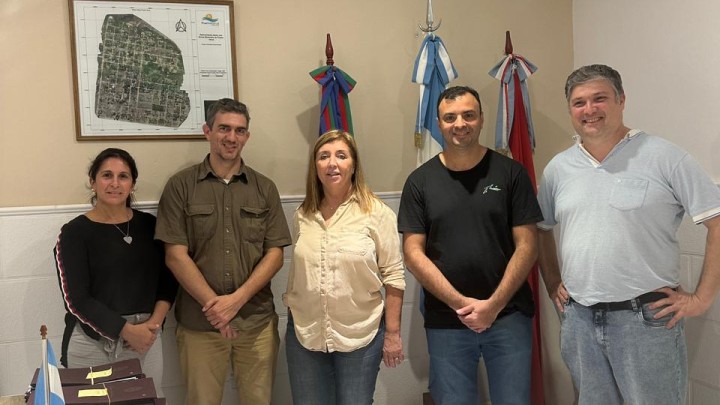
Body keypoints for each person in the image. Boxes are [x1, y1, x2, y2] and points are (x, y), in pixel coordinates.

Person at [537, 64, 720, 404]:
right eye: (579, 103)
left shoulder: (664, 156)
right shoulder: (558, 169)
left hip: (646, 322)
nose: (589, 110)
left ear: (621, 100)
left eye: (599, 99)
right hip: (579, 321)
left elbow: (717, 221)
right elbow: (541, 228)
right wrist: (551, 281)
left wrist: (701, 299)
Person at [398, 86, 543, 405]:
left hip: (508, 316)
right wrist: (461, 303)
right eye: (450, 117)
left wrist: (493, 305)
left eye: (468, 115)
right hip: (447, 320)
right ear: (438, 122)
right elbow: (412, 254)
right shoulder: (419, 182)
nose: (460, 124)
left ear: (481, 119)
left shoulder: (511, 173)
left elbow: (528, 245)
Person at [155, 98, 291, 405]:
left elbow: (275, 254)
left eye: (240, 131)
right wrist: (217, 309)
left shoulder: (265, 188)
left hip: (256, 322)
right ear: (208, 131)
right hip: (199, 325)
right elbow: (175, 256)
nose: (232, 137)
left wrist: (236, 301)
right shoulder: (180, 186)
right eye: (224, 128)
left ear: (247, 136)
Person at [284, 130, 406, 405]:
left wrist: (393, 334)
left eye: (341, 155)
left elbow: (394, 276)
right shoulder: (303, 215)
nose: (332, 163)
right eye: (323, 156)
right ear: (315, 166)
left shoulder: (377, 213)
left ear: (354, 164)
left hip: (360, 335)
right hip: (306, 334)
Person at [53, 148, 178, 395]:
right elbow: (76, 299)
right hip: (93, 344)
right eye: (107, 175)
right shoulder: (74, 233)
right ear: (93, 181)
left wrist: (152, 326)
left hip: (146, 340)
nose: (115, 184)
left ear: (133, 184)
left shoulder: (151, 226)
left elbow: (169, 281)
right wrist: (127, 331)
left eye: (123, 176)